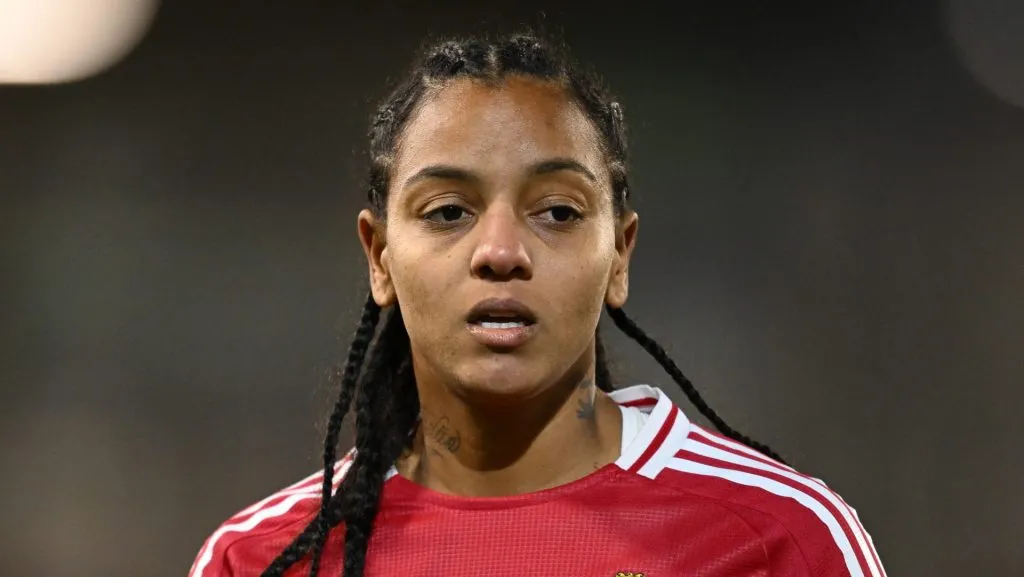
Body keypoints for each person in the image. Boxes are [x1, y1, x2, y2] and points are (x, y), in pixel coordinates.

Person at [188, 32, 886, 577]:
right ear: (380, 257)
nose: (500, 251)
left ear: (620, 255)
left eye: (557, 211)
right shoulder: (257, 560)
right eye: (448, 211)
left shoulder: (783, 539)